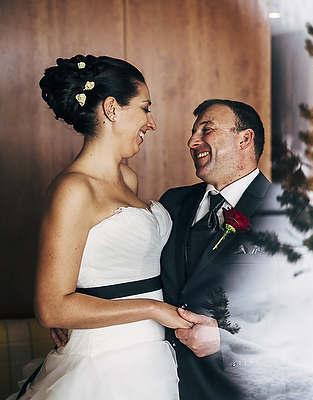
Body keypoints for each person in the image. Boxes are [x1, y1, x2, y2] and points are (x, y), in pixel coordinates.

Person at [10, 54, 207, 400]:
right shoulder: (74, 189)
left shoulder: (127, 178)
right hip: (104, 362)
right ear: (113, 108)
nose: (151, 122)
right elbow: (52, 308)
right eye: (145, 108)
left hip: (150, 356)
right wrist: (153, 308)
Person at [159, 99, 313, 400]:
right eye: (194, 132)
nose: (192, 141)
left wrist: (225, 341)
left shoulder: (295, 215)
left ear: (244, 139)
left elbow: (307, 314)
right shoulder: (170, 204)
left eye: (206, 130)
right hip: (165, 381)